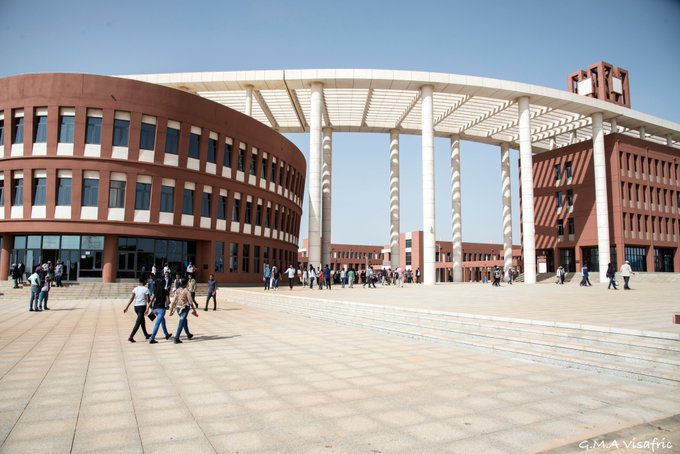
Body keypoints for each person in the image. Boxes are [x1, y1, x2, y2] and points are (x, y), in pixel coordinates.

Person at [124, 275, 151, 343]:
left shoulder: (135, 289)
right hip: (142, 307)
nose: (147, 282)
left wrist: (127, 307)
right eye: (146, 280)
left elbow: (132, 298)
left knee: (142, 321)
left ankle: (146, 334)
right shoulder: (146, 289)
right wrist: (149, 308)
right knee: (138, 322)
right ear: (144, 281)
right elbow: (148, 300)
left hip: (136, 307)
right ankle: (131, 336)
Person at [170, 279, 198, 343]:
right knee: (182, 321)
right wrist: (194, 310)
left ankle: (188, 334)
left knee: (184, 320)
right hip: (184, 308)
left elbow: (173, 301)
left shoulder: (177, 290)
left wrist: (171, 310)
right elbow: (190, 302)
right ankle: (177, 337)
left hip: (178, 308)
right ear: (185, 284)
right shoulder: (187, 291)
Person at [148, 273, 173, 343]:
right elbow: (168, 301)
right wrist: (169, 304)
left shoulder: (155, 290)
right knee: (157, 323)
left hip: (155, 309)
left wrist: (148, 308)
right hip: (161, 309)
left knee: (162, 320)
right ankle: (152, 338)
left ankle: (166, 334)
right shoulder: (165, 291)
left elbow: (151, 300)